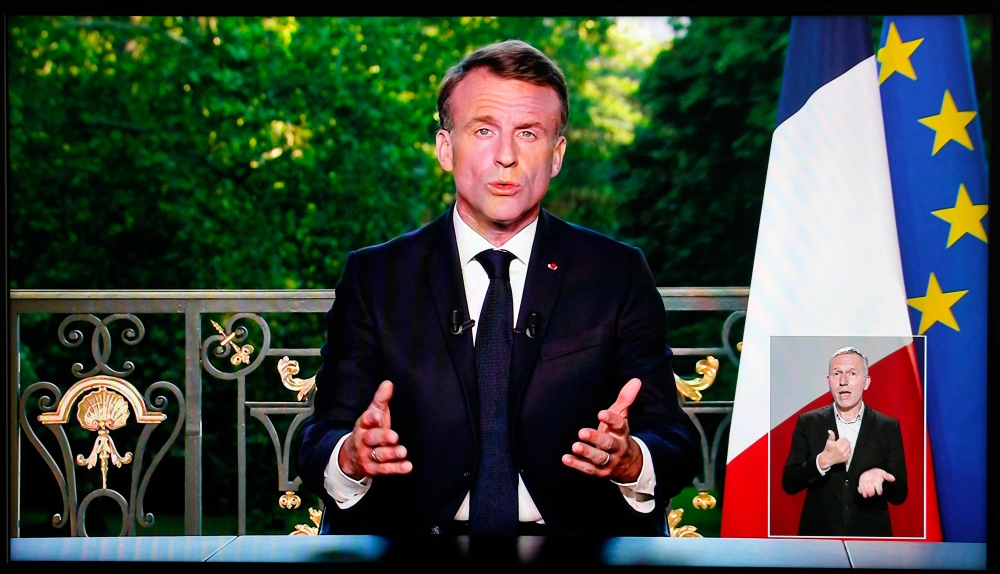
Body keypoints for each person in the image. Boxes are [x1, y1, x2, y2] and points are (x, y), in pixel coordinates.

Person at [296, 40, 699, 537]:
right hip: (415, 546)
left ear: (556, 155)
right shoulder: (374, 277)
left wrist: (632, 459)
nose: (505, 156)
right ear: (447, 148)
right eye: (484, 130)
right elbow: (319, 439)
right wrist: (351, 456)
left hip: (575, 548)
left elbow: (675, 440)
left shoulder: (617, 273)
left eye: (528, 133)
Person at [781, 346, 907, 537]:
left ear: (866, 382)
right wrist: (823, 462)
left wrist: (879, 476)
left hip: (871, 541)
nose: (843, 381)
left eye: (852, 373)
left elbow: (900, 494)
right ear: (828, 381)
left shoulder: (887, 427)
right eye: (837, 374)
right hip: (819, 539)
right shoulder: (808, 422)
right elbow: (789, 483)